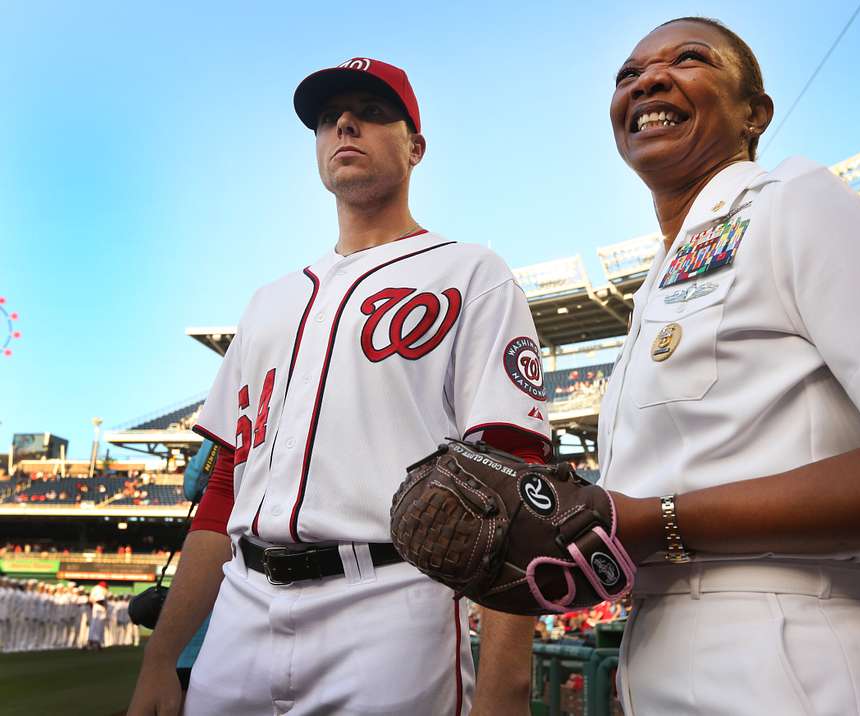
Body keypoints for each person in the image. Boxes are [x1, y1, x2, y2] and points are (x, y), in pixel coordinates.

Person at [595, 16, 860, 715]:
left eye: (690, 59)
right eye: (628, 74)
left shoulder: (795, 203)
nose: (648, 79)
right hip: (667, 649)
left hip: (790, 652)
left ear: (753, 113)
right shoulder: (658, 283)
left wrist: (656, 521)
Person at [128, 57, 549, 716]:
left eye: (371, 110)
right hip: (241, 608)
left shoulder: (471, 273)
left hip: (391, 602)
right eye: (328, 119)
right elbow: (222, 492)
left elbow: (514, 476)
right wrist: (161, 658)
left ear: (416, 147)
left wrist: (505, 687)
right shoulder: (269, 301)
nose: (343, 124)